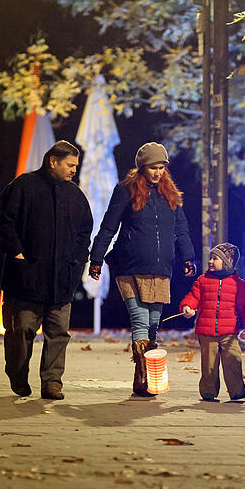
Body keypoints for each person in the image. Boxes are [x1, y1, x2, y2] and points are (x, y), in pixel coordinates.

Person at [88, 142, 196, 397]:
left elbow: (181, 228)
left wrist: (188, 257)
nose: (157, 172)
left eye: (161, 167)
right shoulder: (126, 190)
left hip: (160, 268)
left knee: (153, 326)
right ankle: (143, 379)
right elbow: (108, 226)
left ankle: (147, 376)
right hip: (130, 266)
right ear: (142, 167)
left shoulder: (170, 193)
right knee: (140, 321)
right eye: (152, 167)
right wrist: (96, 258)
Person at [0, 140, 93, 400]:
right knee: (21, 330)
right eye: (70, 165)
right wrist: (17, 253)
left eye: (76, 165)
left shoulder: (75, 195)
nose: (74, 170)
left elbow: (84, 231)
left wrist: (77, 260)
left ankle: (52, 382)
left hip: (62, 280)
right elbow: (1, 222)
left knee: (58, 333)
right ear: (53, 161)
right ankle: (17, 375)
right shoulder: (23, 186)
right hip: (26, 279)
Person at [180, 243, 245, 402]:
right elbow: (193, 297)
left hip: (229, 332)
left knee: (233, 360)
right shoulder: (203, 281)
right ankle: (208, 391)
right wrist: (188, 306)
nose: (210, 261)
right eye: (210, 258)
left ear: (227, 261)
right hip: (206, 331)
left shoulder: (238, 284)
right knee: (209, 364)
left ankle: (237, 390)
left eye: (215, 259)